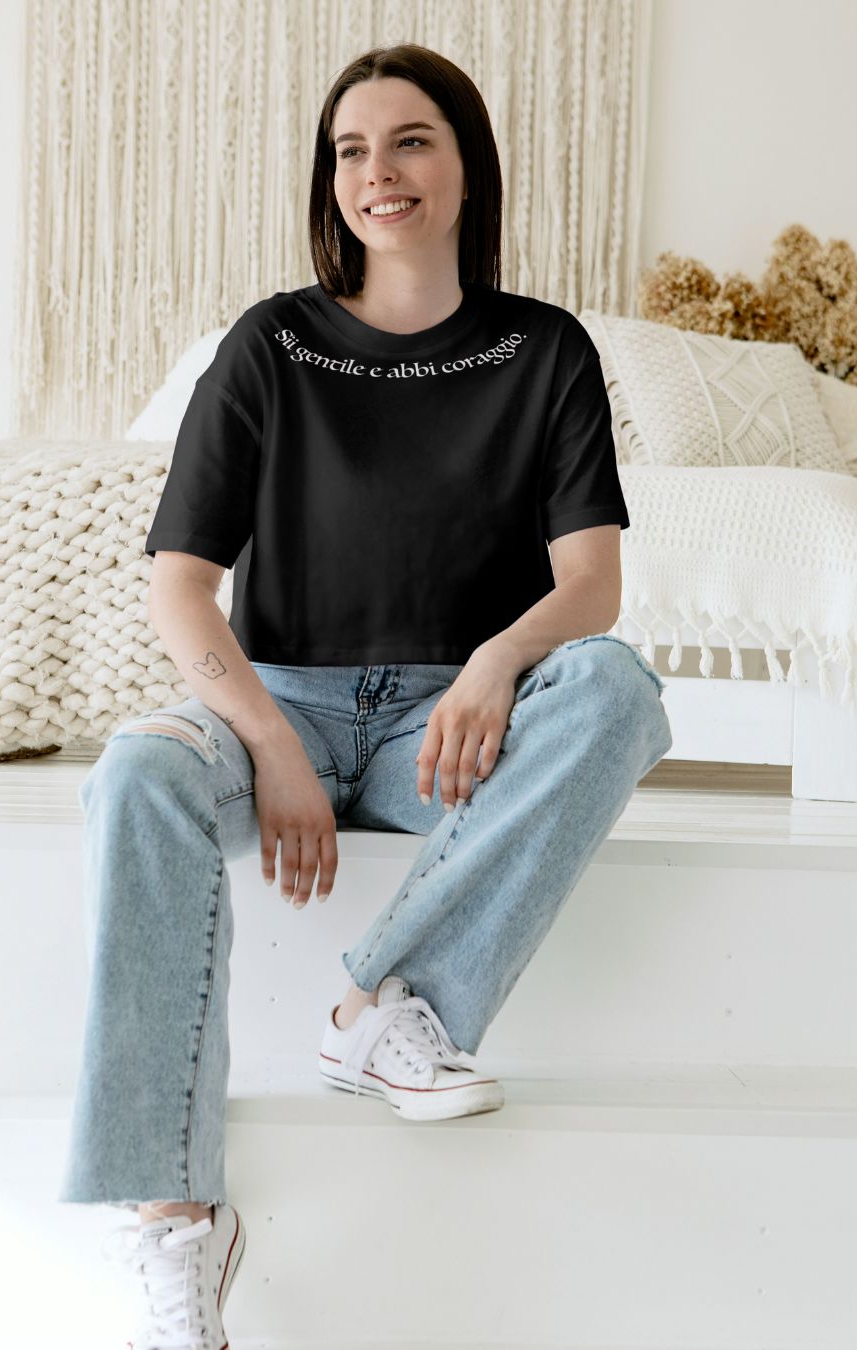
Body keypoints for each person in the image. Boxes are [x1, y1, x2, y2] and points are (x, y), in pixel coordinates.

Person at [58, 40, 672, 1349]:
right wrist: (272, 742)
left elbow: (593, 586)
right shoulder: (270, 343)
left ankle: (386, 1009)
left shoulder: (545, 350)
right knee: (139, 772)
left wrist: (498, 663)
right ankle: (174, 1221)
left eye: (410, 141)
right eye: (351, 149)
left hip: (445, 730)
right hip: (270, 704)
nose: (377, 171)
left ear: (466, 166)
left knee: (615, 689)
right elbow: (180, 589)